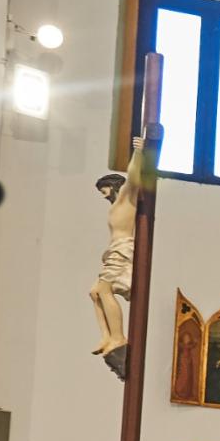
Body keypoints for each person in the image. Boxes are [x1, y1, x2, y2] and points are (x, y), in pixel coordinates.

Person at [90, 138, 145, 356]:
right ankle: (106, 336)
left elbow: (132, 178)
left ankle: (118, 337)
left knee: (104, 290)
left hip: (123, 249)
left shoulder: (125, 198)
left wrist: (138, 153)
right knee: (94, 292)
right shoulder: (115, 206)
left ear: (113, 187)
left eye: (104, 190)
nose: (103, 195)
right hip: (114, 251)